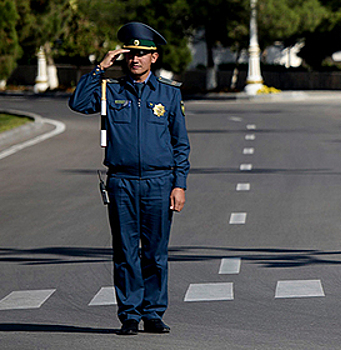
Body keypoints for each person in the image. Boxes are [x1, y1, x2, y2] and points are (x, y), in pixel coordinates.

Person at [69, 22, 190, 336]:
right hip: (121, 183)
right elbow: (79, 103)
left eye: (142, 54)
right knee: (125, 251)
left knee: (155, 253)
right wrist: (100, 68)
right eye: (130, 54)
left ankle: (153, 314)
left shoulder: (170, 95)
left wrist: (180, 184)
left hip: (159, 182)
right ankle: (130, 316)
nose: (135, 59)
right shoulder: (111, 90)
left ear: (154, 57)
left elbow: (181, 145)